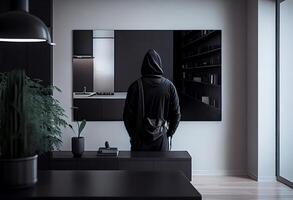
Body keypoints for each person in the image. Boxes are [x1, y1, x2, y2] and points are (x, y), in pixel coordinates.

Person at [123, 49, 181, 151]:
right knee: (162, 167)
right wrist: (168, 133)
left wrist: (133, 135)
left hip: (140, 141)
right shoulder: (169, 86)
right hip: (161, 141)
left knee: (139, 167)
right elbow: (176, 114)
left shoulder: (135, 86)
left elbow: (127, 116)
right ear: (159, 64)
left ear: (144, 65)